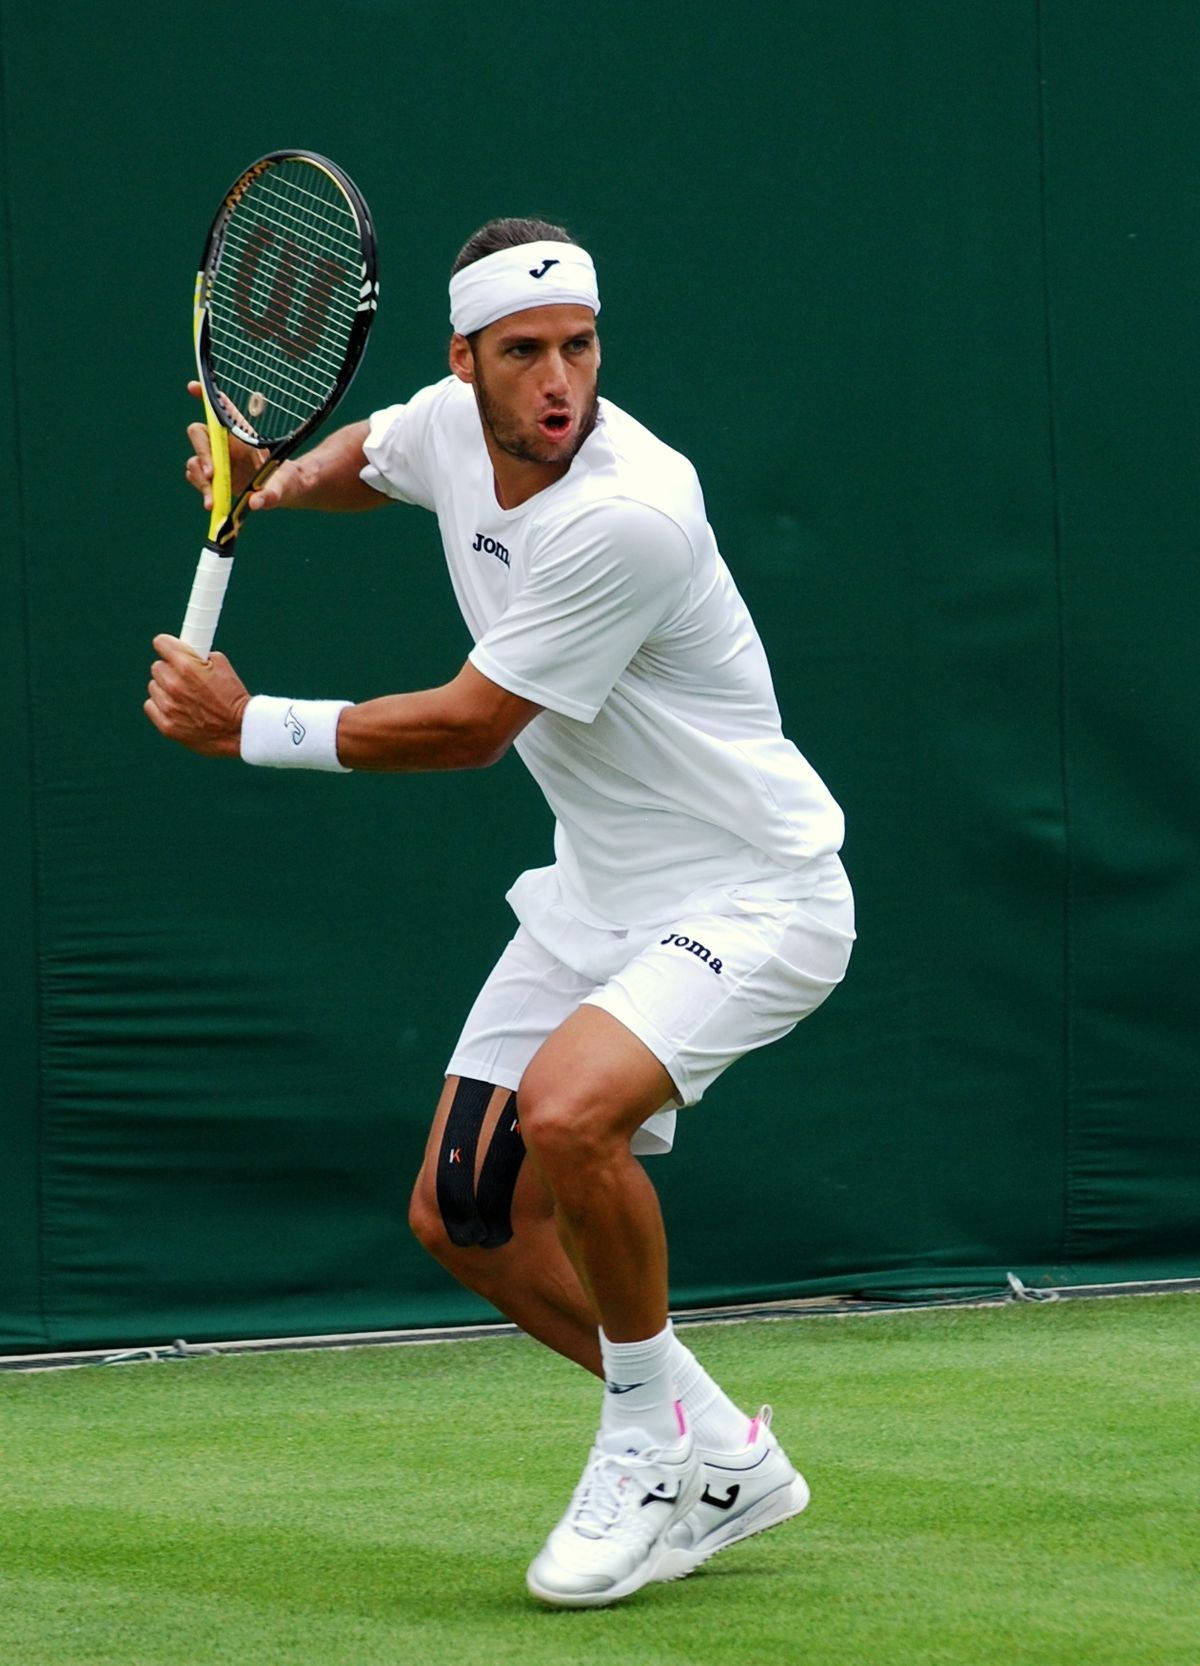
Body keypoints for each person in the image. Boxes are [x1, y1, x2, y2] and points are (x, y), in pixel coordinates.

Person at [146, 217, 855, 1609]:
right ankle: (715, 1449)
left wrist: (252, 729)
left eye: (579, 348)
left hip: (757, 890)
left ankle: (649, 1449)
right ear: (464, 361)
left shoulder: (631, 511)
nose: (557, 381)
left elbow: (471, 727)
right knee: (464, 1212)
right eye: (523, 352)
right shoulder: (449, 428)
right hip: (603, 889)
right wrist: (274, 478)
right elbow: (378, 452)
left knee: (569, 1112)